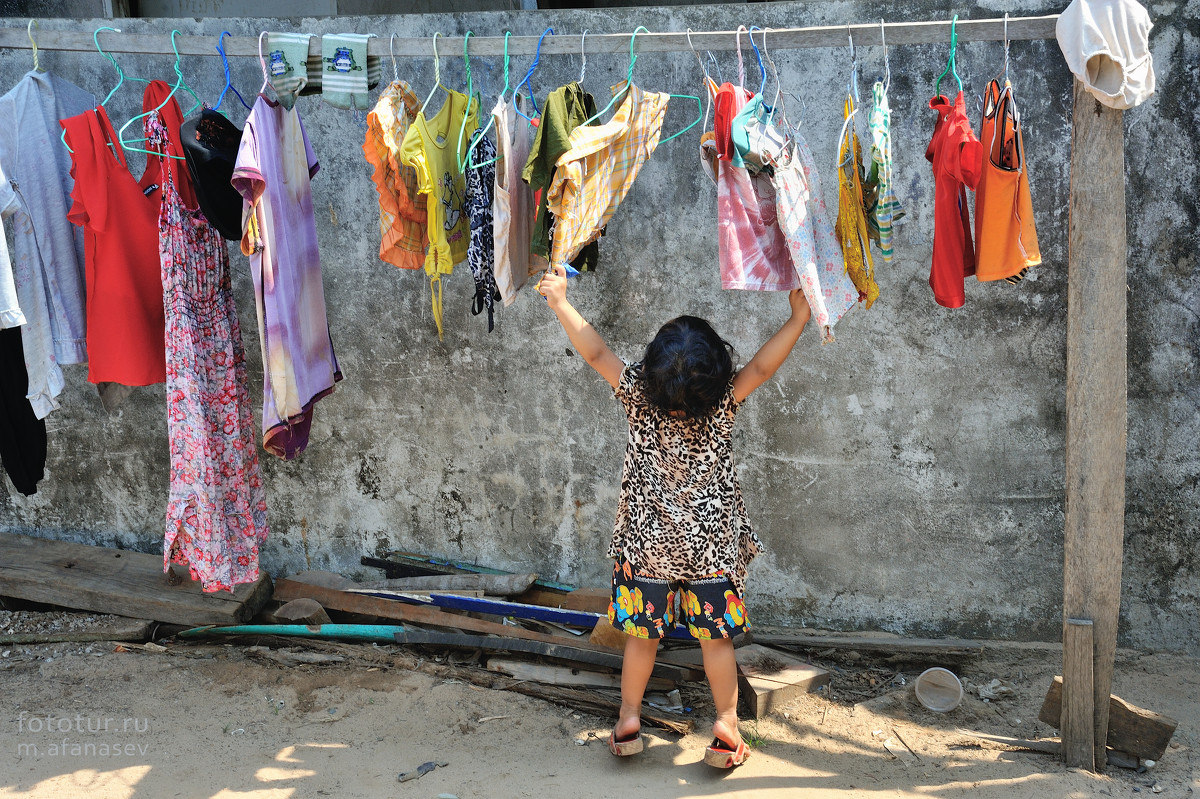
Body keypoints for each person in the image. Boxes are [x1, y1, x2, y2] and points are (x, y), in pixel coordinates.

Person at [538, 264, 811, 768]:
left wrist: (560, 301)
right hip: (711, 550)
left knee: (643, 639)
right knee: (716, 641)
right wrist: (796, 318)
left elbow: (595, 351)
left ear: (653, 371)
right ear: (717, 373)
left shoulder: (639, 398)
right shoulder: (723, 403)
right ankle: (726, 726)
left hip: (648, 549)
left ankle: (627, 719)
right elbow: (764, 368)